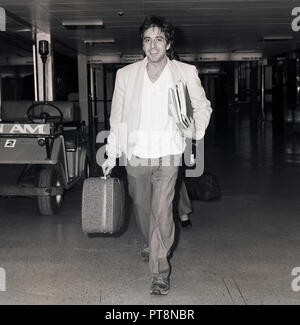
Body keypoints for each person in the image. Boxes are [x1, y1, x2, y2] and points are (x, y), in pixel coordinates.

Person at [101, 15, 212, 295]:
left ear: (168, 43)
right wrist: (111, 154)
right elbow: (118, 118)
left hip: (168, 153)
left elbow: (202, 106)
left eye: (159, 39)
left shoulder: (185, 72)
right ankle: (151, 242)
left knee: (163, 212)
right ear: (142, 45)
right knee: (142, 210)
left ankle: (160, 272)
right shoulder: (125, 75)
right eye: (148, 40)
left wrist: (193, 130)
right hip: (136, 154)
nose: (153, 45)